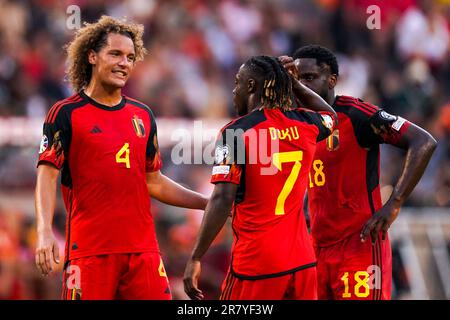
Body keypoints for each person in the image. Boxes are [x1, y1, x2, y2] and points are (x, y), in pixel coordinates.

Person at [34, 16, 208, 300]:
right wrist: (44, 231)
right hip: (90, 252)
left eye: (129, 57)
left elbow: (154, 182)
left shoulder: (143, 115)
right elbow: (47, 173)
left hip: (143, 252)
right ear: (92, 56)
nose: (124, 63)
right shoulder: (66, 113)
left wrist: (207, 204)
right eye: (115, 53)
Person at [183, 55, 337, 300]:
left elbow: (222, 198)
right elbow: (331, 116)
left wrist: (196, 256)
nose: (234, 91)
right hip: (302, 262)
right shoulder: (305, 123)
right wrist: (294, 84)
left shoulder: (235, 132)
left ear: (251, 86)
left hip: (257, 264)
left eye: (237, 83)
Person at [292, 45, 437, 300]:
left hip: (359, 246)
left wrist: (395, 202)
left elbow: (423, 141)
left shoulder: (357, 115)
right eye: (298, 78)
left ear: (332, 80)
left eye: (310, 77)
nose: (303, 85)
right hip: (316, 249)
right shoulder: (300, 123)